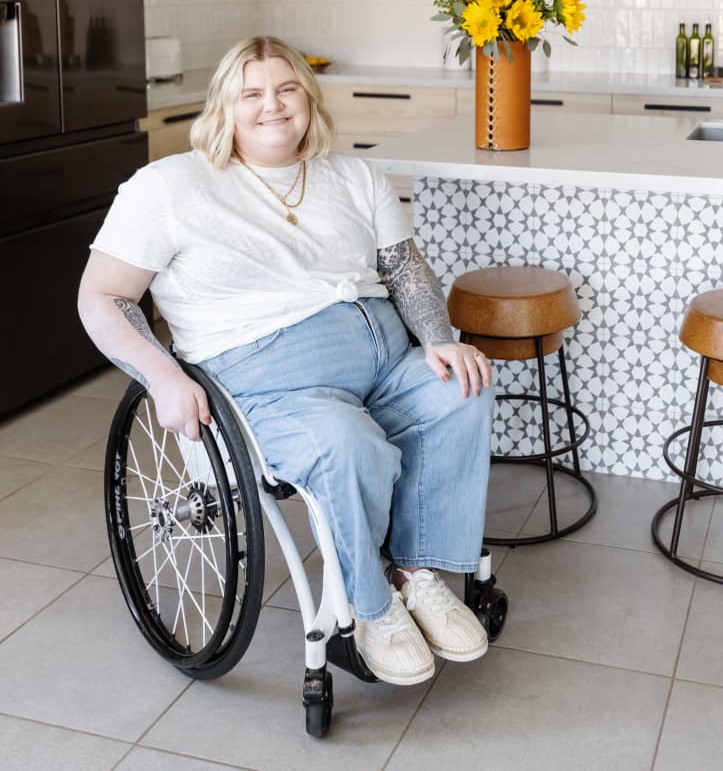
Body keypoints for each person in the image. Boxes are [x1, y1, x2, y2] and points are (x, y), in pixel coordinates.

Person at [78, 35, 494, 686]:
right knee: (346, 441)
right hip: (268, 381)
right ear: (223, 105)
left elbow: (403, 268)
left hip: (383, 357)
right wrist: (161, 374)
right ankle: (372, 605)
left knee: (462, 389)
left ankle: (416, 571)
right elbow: (102, 296)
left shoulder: (353, 175)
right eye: (251, 93)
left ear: (309, 99)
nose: (271, 106)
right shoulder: (169, 186)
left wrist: (438, 338)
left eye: (287, 89)